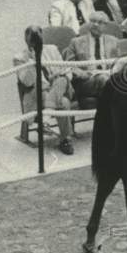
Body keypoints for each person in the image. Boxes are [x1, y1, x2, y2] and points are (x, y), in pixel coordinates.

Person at [14, 25, 76, 155]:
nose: (37, 43)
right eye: (33, 40)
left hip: (60, 86)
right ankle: (66, 140)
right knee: (63, 103)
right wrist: (33, 61)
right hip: (39, 92)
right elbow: (27, 82)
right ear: (27, 41)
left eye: (39, 38)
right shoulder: (20, 58)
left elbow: (67, 72)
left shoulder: (52, 50)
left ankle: (48, 109)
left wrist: (57, 75)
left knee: (62, 80)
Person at [64, 12, 119, 107]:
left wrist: (112, 72)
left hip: (108, 75)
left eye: (100, 22)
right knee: (104, 80)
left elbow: (119, 63)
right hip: (86, 80)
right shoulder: (76, 42)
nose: (95, 24)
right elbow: (69, 66)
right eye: (93, 21)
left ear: (105, 26)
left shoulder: (114, 41)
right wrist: (82, 74)